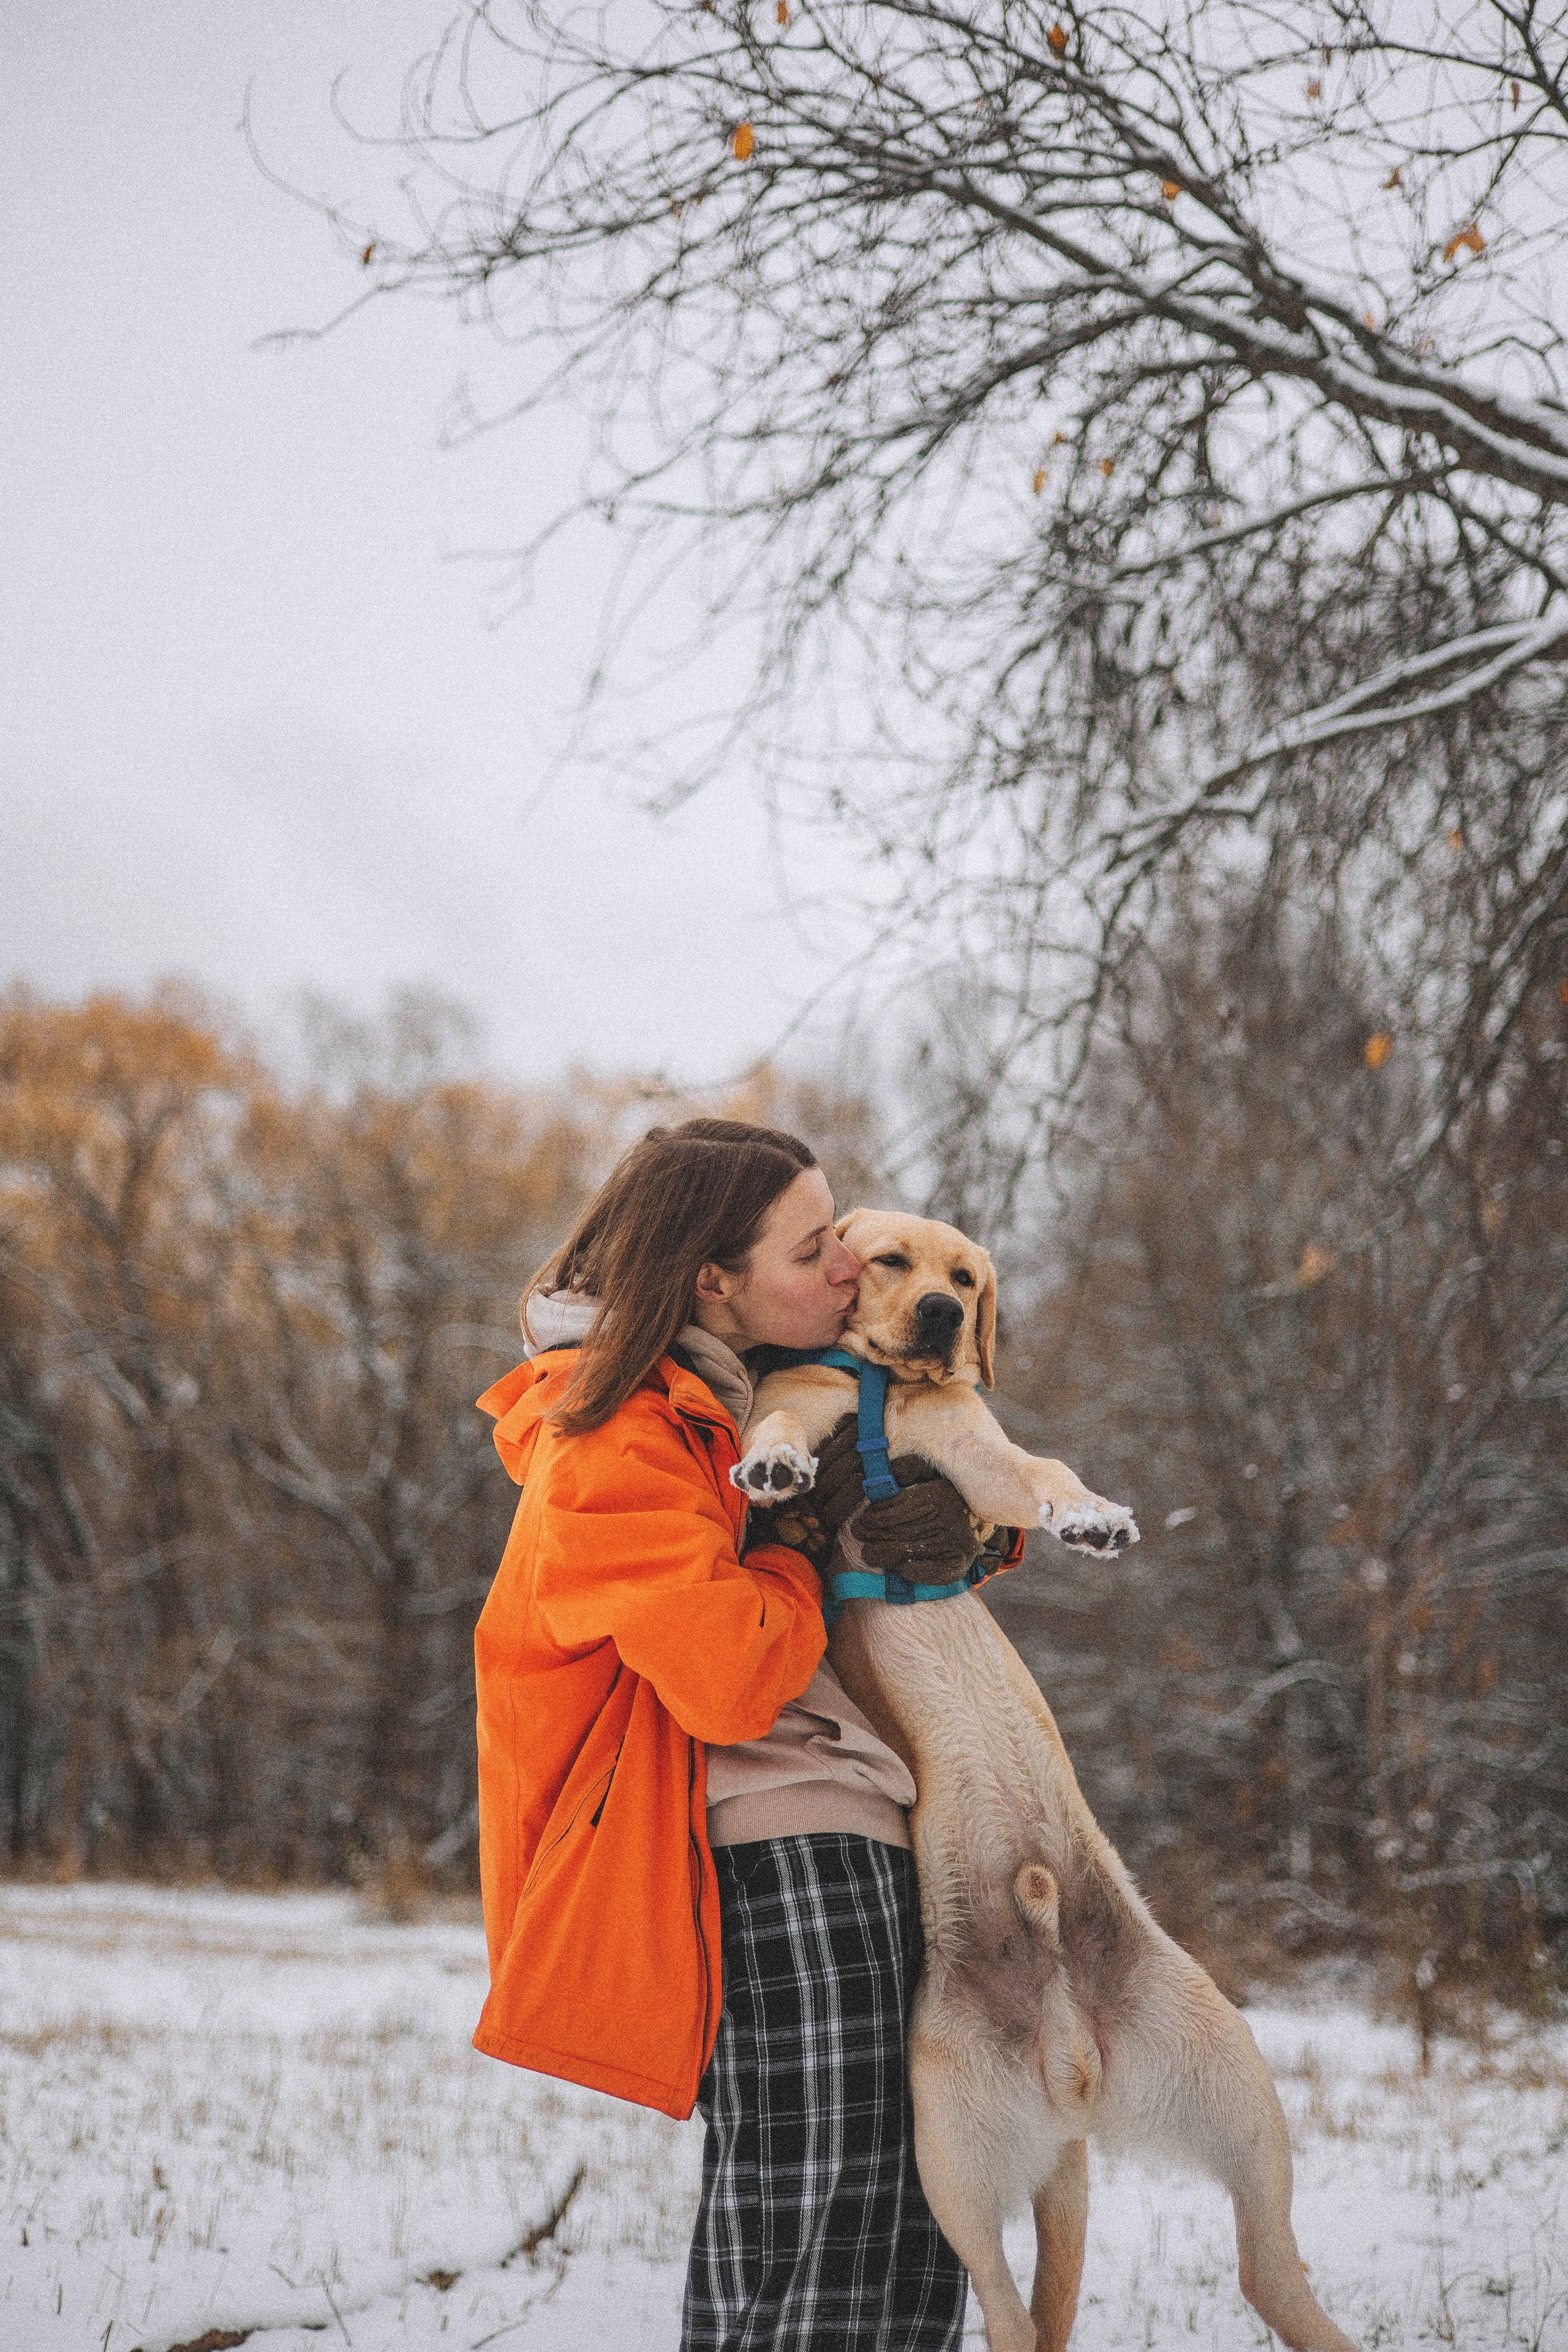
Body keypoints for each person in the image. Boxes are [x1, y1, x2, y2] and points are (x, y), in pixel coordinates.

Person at [473, 1118, 1016, 2351]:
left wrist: (973, 1531)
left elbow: (926, 1510)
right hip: (765, 1852)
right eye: (816, 1245)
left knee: (918, 2218)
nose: (848, 1266)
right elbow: (724, 1676)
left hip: (870, 1826)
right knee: (811, 2228)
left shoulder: (750, 1396)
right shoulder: (609, 1434)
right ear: (711, 1281)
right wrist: (795, 1544)